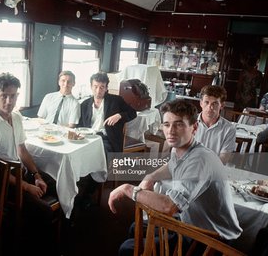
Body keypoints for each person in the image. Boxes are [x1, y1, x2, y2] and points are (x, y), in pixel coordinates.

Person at [108, 99, 242, 256]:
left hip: (211, 239)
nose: (170, 131)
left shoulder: (200, 159)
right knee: (134, 228)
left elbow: (169, 206)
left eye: (178, 124)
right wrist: (151, 176)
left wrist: (128, 189)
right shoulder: (181, 147)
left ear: (194, 128)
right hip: (191, 222)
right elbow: (172, 166)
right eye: (166, 124)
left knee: (127, 249)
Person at [0, 73, 57, 255]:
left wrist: (36, 175)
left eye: (13, 96)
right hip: (1, 181)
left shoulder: (17, 117)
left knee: (55, 184)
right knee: (43, 210)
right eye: (3, 95)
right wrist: (27, 187)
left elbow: (22, 150)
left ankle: (36, 233)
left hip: (19, 173)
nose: (8, 101)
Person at [78, 72, 137, 153]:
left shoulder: (116, 100)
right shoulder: (84, 104)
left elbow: (133, 113)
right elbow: (80, 125)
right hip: (88, 137)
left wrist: (119, 115)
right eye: (95, 87)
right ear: (91, 87)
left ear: (106, 88)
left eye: (102, 87)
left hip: (107, 138)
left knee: (98, 152)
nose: (98, 90)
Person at [194, 85, 236, 164]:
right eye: (206, 102)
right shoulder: (188, 122)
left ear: (222, 105)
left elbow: (223, 159)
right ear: (201, 103)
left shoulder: (229, 129)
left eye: (215, 103)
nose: (210, 107)